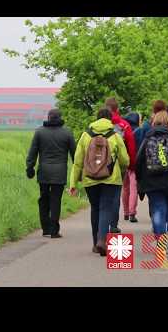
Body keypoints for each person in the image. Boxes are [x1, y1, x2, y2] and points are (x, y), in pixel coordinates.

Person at [69, 108, 130, 256]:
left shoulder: (85, 135)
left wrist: (73, 183)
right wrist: (120, 168)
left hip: (90, 179)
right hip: (111, 179)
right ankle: (102, 240)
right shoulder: (115, 135)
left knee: (95, 208)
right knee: (105, 208)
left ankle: (95, 243)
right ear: (110, 120)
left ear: (96, 119)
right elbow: (125, 160)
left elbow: (77, 162)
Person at [135, 111, 168, 247]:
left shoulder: (148, 139)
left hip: (153, 183)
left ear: (154, 123)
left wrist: (140, 182)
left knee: (158, 210)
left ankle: (161, 241)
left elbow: (138, 162)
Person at [26, 108, 76, 238]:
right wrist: (78, 171)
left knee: (44, 198)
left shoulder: (39, 132)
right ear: (60, 118)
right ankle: (54, 230)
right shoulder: (67, 133)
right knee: (55, 200)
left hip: (44, 172)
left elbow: (32, 152)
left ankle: (45, 228)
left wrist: (29, 167)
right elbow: (75, 154)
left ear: (48, 118)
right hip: (60, 172)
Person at [105, 97, 136, 233]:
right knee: (116, 193)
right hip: (119, 165)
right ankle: (113, 224)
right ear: (117, 109)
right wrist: (131, 164)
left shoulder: (96, 124)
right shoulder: (124, 125)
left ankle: (102, 224)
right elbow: (131, 146)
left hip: (99, 165)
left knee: (104, 195)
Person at [122, 111, 142, 222]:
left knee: (125, 188)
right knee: (134, 188)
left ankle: (125, 212)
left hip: (124, 162)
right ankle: (132, 213)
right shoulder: (139, 131)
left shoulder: (124, 129)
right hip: (134, 163)